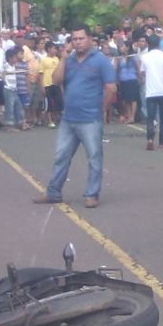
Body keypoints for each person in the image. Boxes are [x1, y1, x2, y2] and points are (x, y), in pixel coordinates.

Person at [33, 23, 116, 208]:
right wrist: (63, 58)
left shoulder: (101, 60)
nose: (77, 42)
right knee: (61, 156)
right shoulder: (69, 61)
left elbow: (111, 88)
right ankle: (53, 192)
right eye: (74, 39)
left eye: (81, 38)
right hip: (69, 118)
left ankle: (92, 194)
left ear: (90, 39)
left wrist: (102, 109)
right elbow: (55, 80)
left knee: (94, 158)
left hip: (90, 119)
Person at [139, 34, 163, 150]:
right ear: (159, 43)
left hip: (151, 91)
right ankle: (162, 141)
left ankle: (150, 139)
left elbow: (142, 72)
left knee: (150, 117)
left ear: (148, 44)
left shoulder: (145, 57)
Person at [116, 41, 141, 124]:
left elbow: (138, 68)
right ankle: (128, 115)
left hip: (132, 79)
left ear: (127, 47)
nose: (121, 48)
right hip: (123, 80)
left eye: (122, 46)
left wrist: (140, 78)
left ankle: (132, 116)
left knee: (133, 99)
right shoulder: (119, 58)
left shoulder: (133, 57)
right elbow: (117, 69)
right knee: (126, 99)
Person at [3, 48, 26, 131]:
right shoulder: (6, 66)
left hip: (14, 89)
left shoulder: (14, 66)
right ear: (10, 58)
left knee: (19, 106)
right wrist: (2, 76)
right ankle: (9, 125)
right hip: (8, 89)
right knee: (10, 107)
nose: (16, 59)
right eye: (14, 58)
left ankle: (21, 123)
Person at [40, 41, 62, 128]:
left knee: (58, 102)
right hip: (47, 84)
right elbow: (41, 73)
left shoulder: (57, 59)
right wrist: (42, 86)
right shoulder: (43, 60)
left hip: (56, 84)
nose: (55, 50)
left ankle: (56, 119)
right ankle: (50, 121)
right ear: (49, 49)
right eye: (54, 48)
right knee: (49, 104)